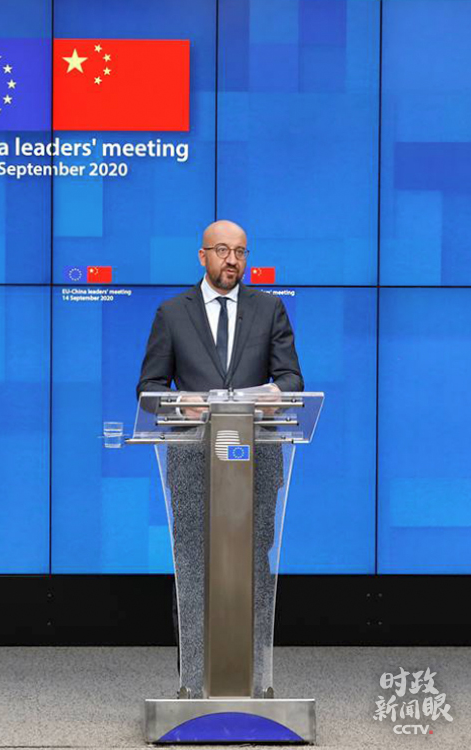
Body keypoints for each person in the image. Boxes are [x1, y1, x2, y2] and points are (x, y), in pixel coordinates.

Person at [136, 220, 304, 697]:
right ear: (203, 256)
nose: (233, 260)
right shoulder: (173, 313)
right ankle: (192, 684)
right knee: (193, 567)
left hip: (257, 461)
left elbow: (292, 380)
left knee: (253, 569)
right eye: (223, 250)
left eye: (241, 252)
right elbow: (149, 388)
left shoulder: (269, 309)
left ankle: (255, 682)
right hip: (192, 460)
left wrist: (273, 395)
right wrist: (181, 403)